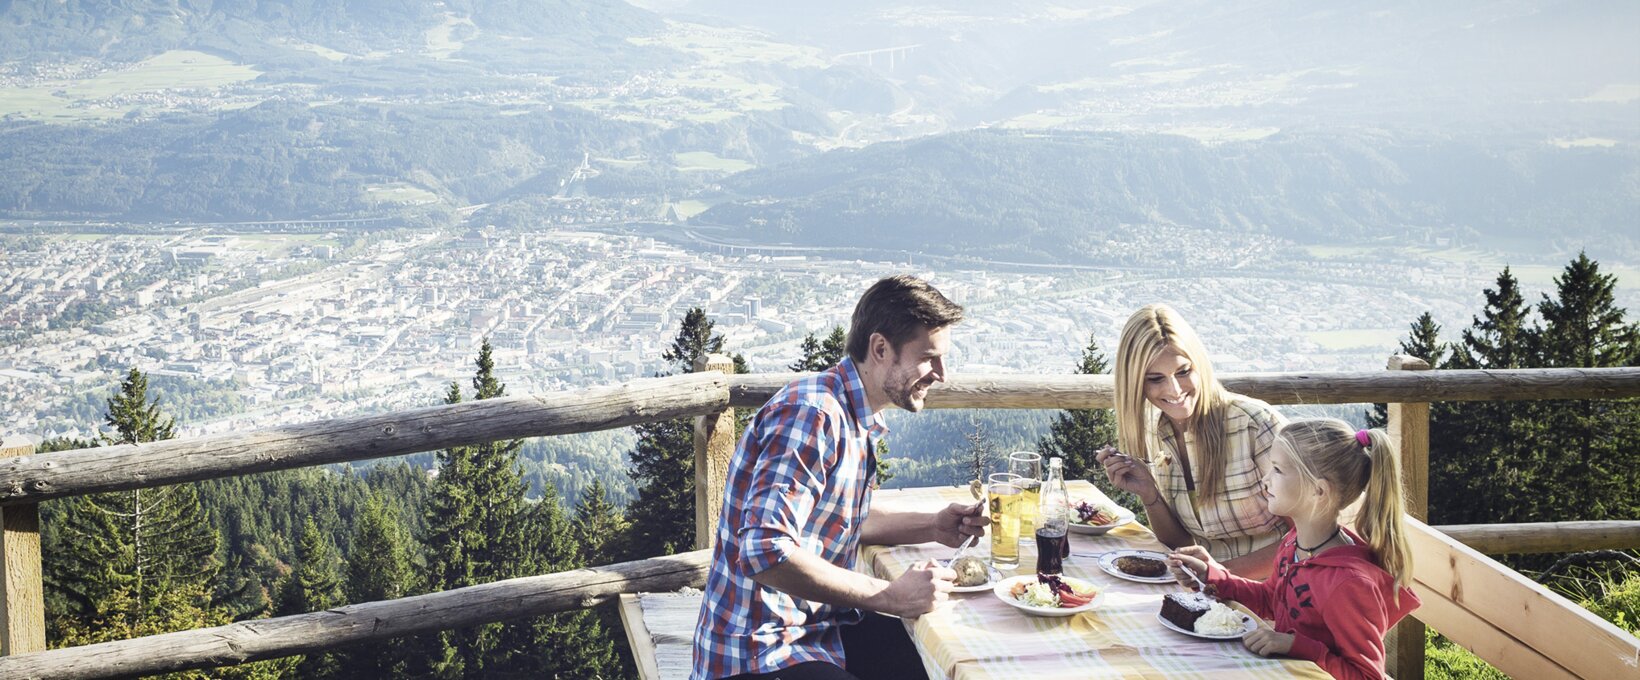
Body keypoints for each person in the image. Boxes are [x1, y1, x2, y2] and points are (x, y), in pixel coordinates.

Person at [692, 275, 988, 680]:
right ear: (880, 348)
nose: (941, 374)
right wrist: (890, 595)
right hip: (760, 653)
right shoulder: (813, 414)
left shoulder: (852, 413)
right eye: (929, 357)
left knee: (938, 656)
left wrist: (934, 526)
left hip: (816, 633)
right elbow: (764, 552)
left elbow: (844, 521)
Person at [1166, 419, 1420, 680]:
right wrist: (1212, 576)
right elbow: (1271, 600)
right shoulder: (1295, 543)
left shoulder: (1349, 584)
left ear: (1318, 491)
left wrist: (1296, 646)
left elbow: (1367, 676)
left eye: (1277, 470)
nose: (1265, 480)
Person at [1096, 303, 1288, 577]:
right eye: (1155, 378)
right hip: (1213, 593)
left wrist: (1221, 576)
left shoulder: (1255, 425)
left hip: (1280, 593)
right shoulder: (1157, 433)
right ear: (1136, 383)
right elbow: (1184, 546)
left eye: (1183, 372)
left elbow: (1311, 538)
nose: (1174, 389)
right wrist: (1149, 494)